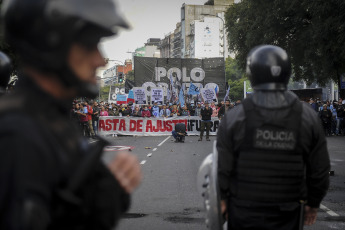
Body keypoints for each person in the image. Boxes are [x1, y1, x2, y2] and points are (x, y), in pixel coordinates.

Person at [0, 0, 142, 229]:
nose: (101, 60)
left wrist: (106, 196)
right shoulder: (17, 135)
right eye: (89, 45)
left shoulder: (51, 120)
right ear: (51, 45)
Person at [217, 45, 330, 230]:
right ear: (286, 73)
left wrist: (222, 199)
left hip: (244, 210)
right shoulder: (308, 117)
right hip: (289, 212)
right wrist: (313, 203)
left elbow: (223, 166)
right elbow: (319, 169)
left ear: (252, 74)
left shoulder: (234, 118)